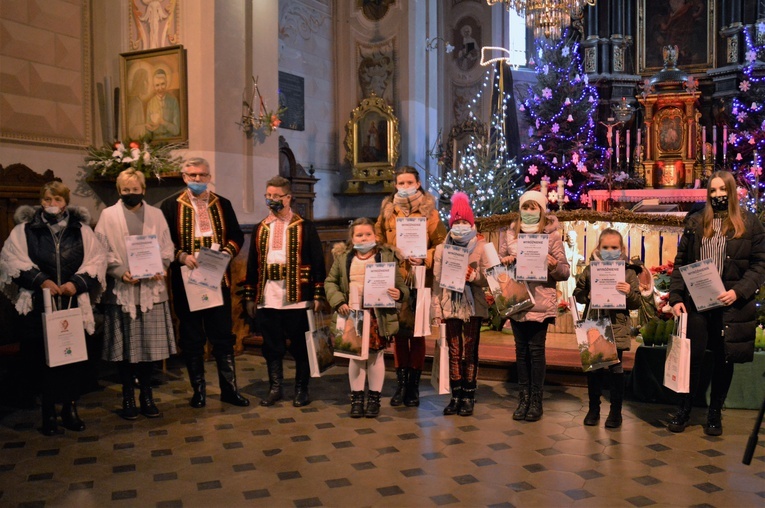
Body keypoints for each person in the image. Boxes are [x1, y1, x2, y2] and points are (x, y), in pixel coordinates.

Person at [0, 182, 106, 435]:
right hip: (39, 305)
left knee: (71, 358)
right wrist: (41, 281)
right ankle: (48, 412)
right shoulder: (25, 230)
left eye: (57, 199)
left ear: (65, 202)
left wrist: (76, 283)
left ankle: (69, 409)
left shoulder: (81, 230)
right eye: (47, 199)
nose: (51, 204)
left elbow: (97, 260)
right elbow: (10, 259)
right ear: (41, 201)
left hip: (71, 304)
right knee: (42, 359)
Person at [668, 170, 765, 435]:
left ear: (732, 192)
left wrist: (739, 292)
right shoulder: (696, 221)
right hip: (698, 303)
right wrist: (676, 297)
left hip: (732, 305)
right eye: (713, 190)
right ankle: (684, 408)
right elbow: (681, 263)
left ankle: (714, 413)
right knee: (693, 358)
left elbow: (760, 264)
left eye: (723, 190)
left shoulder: (750, 223)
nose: (718, 194)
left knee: (724, 358)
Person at [160, 157, 249, 408]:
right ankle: (198, 391)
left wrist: (227, 254)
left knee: (222, 335)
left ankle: (229, 390)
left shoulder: (223, 204)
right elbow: (164, 242)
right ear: (184, 177)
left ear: (209, 177)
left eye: (202, 175)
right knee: (191, 337)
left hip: (216, 278)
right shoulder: (170, 206)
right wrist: (181, 256)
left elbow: (236, 235)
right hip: (185, 280)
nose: (197, 179)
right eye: (192, 175)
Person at [95, 169, 176, 420]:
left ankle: (147, 396)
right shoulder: (108, 216)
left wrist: (159, 268)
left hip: (150, 291)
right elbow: (100, 250)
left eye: (135, 189)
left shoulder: (156, 214)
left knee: (148, 349)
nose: (132, 193)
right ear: (119, 191)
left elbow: (167, 248)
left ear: (144, 189)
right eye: (126, 190)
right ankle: (128, 396)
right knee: (126, 350)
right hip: (123, 292)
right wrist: (119, 272)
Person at [243, 176, 326, 407]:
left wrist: (318, 294)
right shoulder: (261, 227)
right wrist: (250, 296)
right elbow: (252, 264)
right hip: (268, 296)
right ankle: (276, 387)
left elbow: (318, 262)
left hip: (298, 296)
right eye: (268, 196)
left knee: (300, 345)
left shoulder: (305, 226)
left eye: (277, 196)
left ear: (288, 197)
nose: (272, 200)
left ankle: (301, 388)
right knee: (271, 345)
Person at [375, 166, 447, 407]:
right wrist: (389, 255)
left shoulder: (431, 213)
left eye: (409, 182)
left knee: (416, 335)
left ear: (418, 184)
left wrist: (424, 257)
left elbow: (442, 245)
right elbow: (378, 242)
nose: (404, 187)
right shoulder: (387, 213)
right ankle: (401, 385)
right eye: (400, 183)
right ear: (395, 185)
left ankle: (413, 387)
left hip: (419, 279)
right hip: (394, 281)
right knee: (397, 334)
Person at [324, 218, 408, 418]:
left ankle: (374, 399)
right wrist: (338, 301)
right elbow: (330, 282)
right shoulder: (344, 258)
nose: (364, 238)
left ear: (376, 236)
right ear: (352, 239)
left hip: (377, 314)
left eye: (368, 234)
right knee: (356, 358)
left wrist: (399, 293)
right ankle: (356, 399)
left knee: (375, 357)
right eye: (359, 235)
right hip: (352, 313)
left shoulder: (386, 257)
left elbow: (401, 286)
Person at [499, 190, 569, 422]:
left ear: (542, 210)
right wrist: (506, 262)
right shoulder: (509, 234)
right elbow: (498, 267)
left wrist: (553, 265)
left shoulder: (552, 236)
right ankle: (523, 398)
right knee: (521, 351)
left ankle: (536, 400)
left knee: (536, 351)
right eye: (525, 208)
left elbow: (565, 272)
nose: (529, 212)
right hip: (517, 299)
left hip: (541, 301)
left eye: (534, 208)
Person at [573, 228, 641, 428]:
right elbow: (578, 293)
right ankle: (593, 409)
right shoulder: (590, 270)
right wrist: (587, 295)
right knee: (594, 369)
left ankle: (615, 412)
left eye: (614, 247)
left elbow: (637, 302)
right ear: (598, 248)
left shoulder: (628, 272)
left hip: (616, 325)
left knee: (615, 368)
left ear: (621, 249)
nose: (610, 250)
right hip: (595, 324)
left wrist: (629, 292)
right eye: (606, 247)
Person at [432, 193, 491, 416]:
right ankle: (455, 395)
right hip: (450, 305)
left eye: (465, 222)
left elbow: (490, 277)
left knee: (470, 350)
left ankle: (469, 395)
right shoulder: (441, 249)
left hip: (473, 306)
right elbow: (438, 282)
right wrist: (437, 310)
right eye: (457, 222)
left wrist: (474, 275)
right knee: (454, 351)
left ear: (472, 223)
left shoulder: (482, 246)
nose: (460, 226)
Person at [145, 68, 180, 139]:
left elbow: (176, 130)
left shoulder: (173, 101)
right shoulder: (150, 103)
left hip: (171, 141)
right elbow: (148, 133)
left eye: (162, 84)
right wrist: (149, 129)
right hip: (155, 143)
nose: (160, 88)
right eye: (157, 85)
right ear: (154, 86)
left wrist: (163, 122)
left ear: (166, 83)